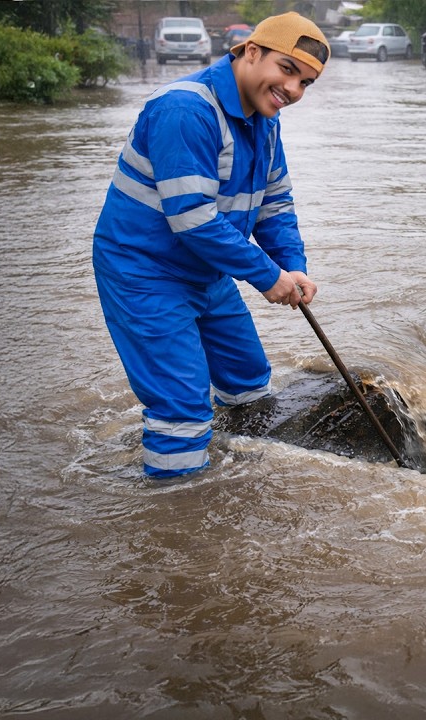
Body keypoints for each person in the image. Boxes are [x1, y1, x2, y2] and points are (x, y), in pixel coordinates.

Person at [92, 12, 329, 480]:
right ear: (251, 51)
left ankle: (237, 479)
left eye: (306, 82)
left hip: (206, 269)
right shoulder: (185, 110)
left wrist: (293, 267)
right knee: (181, 409)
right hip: (145, 272)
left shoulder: (267, 119)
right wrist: (268, 277)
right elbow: (194, 219)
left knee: (248, 382)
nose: (294, 90)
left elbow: (275, 205)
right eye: (287, 70)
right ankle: (177, 519)